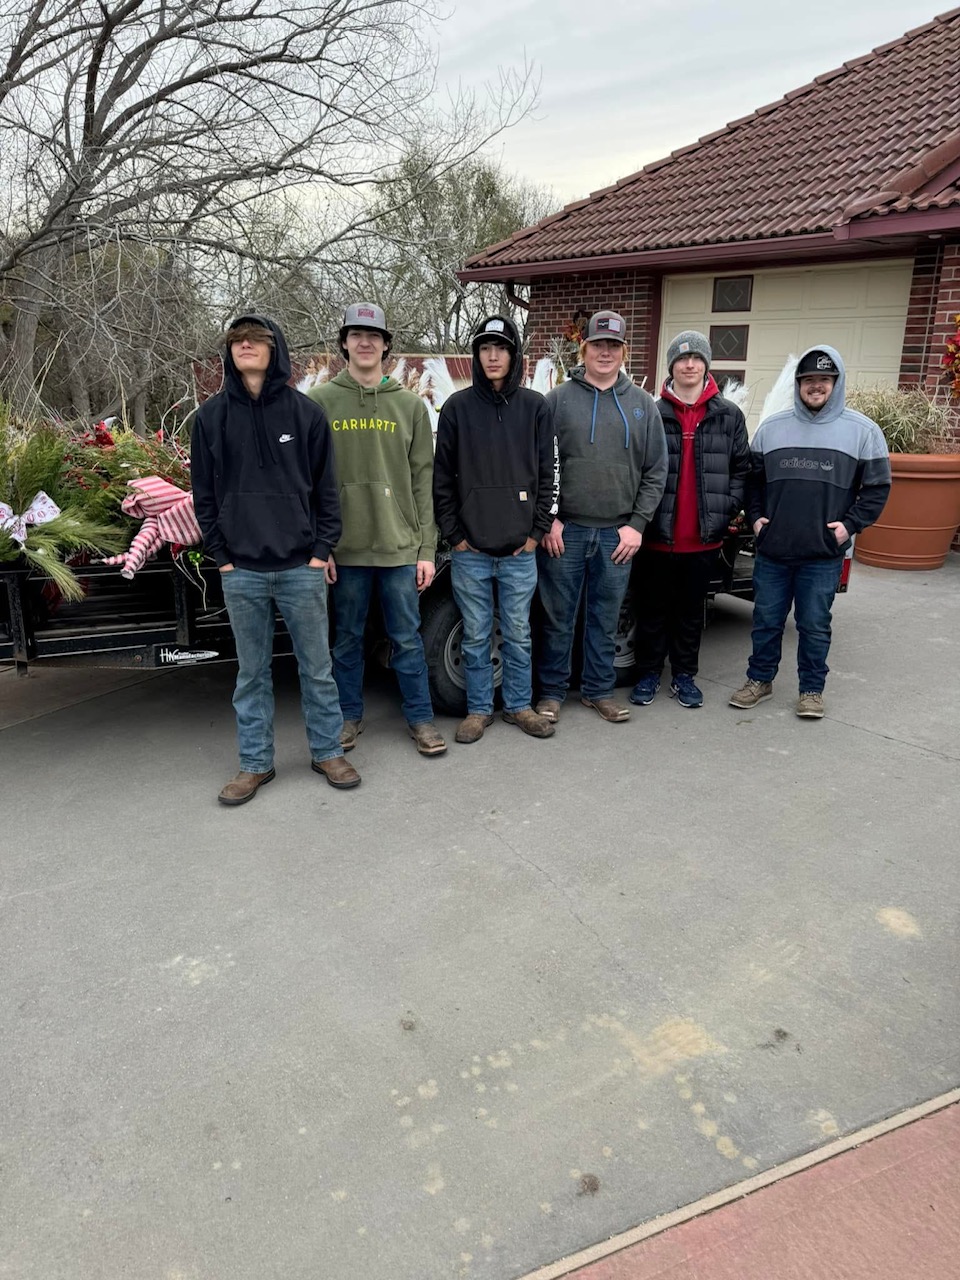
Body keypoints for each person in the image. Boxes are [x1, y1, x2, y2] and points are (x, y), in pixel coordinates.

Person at [191, 314, 360, 804]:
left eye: (256, 340)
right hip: (240, 570)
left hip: (299, 569)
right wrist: (221, 556)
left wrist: (319, 552)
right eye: (237, 341)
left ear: (274, 349)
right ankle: (254, 764)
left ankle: (328, 750)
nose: (245, 346)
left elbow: (328, 491)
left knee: (316, 667)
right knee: (251, 673)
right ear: (230, 352)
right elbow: (203, 494)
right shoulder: (211, 418)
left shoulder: (305, 415)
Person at [308, 303, 446, 756]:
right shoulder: (320, 402)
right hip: (345, 550)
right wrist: (321, 546)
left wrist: (426, 549)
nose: (365, 342)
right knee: (346, 639)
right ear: (344, 343)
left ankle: (421, 719)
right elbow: (308, 481)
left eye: (374, 335)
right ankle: (348, 717)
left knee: (407, 638)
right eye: (356, 334)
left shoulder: (409, 406)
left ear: (386, 345)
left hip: (398, 549)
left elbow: (423, 482)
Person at [729, 345, 891, 718]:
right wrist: (755, 517)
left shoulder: (862, 431)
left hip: (822, 555)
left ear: (836, 383)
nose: (815, 386)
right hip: (774, 551)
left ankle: (812, 690)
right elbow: (753, 481)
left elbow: (878, 488)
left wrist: (849, 526)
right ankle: (760, 679)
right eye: (808, 380)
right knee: (766, 620)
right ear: (799, 384)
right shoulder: (772, 428)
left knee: (814, 625)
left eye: (824, 380)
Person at [536, 310, 668, 724]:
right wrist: (549, 519)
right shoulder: (557, 401)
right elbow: (540, 464)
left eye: (613, 345)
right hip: (566, 530)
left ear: (623, 351)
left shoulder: (644, 405)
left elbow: (655, 470)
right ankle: (553, 693)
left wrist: (637, 525)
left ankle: (597, 691)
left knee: (605, 617)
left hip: (617, 534)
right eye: (598, 345)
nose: (605, 352)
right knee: (558, 616)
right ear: (585, 348)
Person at [433, 315, 557, 745]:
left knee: (519, 632)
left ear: (513, 354)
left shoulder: (535, 408)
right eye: (485, 348)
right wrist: (455, 535)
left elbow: (548, 474)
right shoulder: (457, 408)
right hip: (471, 550)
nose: (492, 355)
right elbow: (442, 479)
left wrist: (536, 532)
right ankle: (479, 709)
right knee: (476, 632)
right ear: (476, 354)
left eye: (500, 348)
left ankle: (520, 706)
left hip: (520, 550)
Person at [629, 331, 750, 709]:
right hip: (655, 537)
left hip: (703, 539)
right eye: (682, 359)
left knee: (689, 614)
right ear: (671, 367)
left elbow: (742, 470)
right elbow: (634, 466)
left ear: (706, 365)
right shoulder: (651, 410)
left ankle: (684, 676)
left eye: (697, 358)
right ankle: (648, 673)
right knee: (651, 611)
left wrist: (727, 508)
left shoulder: (727, 415)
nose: (690, 365)